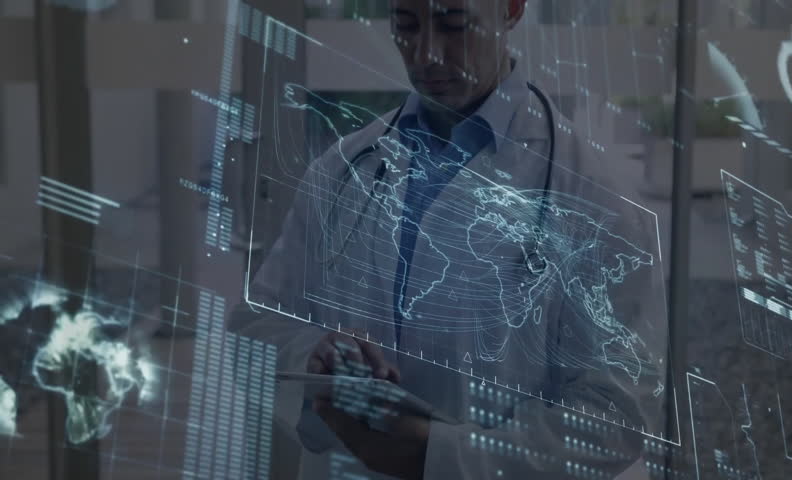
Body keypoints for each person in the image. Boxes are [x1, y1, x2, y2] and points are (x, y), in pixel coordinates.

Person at [230, 0, 667, 478]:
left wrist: (434, 455)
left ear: (511, 9)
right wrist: (314, 355)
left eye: (454, 24)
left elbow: (615, 417)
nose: (426, 54)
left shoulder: (597, 196)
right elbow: (254, 326)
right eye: (406, 26)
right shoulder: (342, 168)